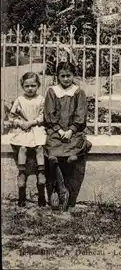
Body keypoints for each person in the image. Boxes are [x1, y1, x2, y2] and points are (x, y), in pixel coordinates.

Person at [44, 61, 91, 212]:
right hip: (56, 132)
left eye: (68, 76)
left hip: (73, 133)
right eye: (62, 76)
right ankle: (60, 187)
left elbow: (81, 114)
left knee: (72, 157)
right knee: (52, 157)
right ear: (57, 76)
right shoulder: (52, 91)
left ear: (73, 76)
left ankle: (68, 191)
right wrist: (59, 130)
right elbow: (49, 114)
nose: (66, 79)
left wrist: (71, 130)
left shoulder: (78, 92)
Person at [8, 72, 47, 207]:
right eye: (27, 86)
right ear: (23, 86)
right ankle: (22, 173)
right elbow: (11, 117)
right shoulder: (20, 100)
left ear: (38, 86)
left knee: (40, 147)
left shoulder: (41, 99)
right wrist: (20, 123)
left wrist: (33, 122)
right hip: (23, 129)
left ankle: (41, 173)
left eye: (33, 85)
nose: (30, 88)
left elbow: (43, 116)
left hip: (35, 128)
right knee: (23, 148)